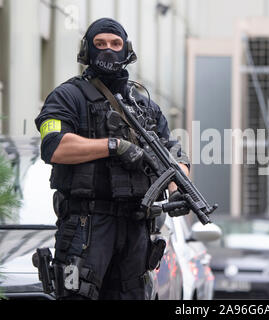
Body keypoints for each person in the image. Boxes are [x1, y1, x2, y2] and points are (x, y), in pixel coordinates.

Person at [34, 18, 190, 300]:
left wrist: (178, 189)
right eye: (100, 44)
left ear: (126, 50)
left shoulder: (143, 105)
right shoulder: (67, 97)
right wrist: (113, 145)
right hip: (87, 226)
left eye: (115, 44)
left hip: (135, 228)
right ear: (87, 51)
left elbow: (175, 154)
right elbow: (54, 146)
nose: (108, 50)